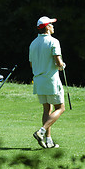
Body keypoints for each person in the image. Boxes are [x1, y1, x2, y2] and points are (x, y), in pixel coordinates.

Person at [29, 16, 65, 148]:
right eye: (51, 24)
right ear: (47, 27)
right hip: (51, 80)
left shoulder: (33, 43)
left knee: (46, 109)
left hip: (38, 81)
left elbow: (32, 65)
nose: (53, 26)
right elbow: (58, 62)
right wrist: (62, 66)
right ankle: (42, 131)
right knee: (60, 108)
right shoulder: (54, 41)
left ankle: (48, 141)